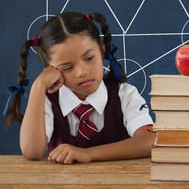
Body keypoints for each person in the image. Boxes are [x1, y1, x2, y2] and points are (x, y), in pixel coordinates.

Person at [4, 11, 156, 164]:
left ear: (102, 51)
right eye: (67, 67)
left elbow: (151, 141)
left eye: (89, 58)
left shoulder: (125, 95)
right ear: (52, 71)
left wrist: (88, 154)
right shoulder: (48, 101)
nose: (82, 72)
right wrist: (39, 85)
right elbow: (32, 151)